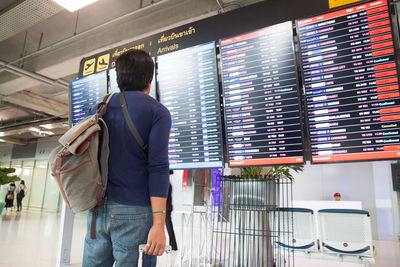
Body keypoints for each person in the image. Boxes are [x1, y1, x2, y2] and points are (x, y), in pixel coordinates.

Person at [82, 50, 171, 267]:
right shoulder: (157, 112)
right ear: (149, 79)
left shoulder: (97, 108)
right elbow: (158, 168)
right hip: (135, 214)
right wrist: (159, 224)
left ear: (118, 78)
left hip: (97, 211)